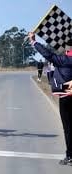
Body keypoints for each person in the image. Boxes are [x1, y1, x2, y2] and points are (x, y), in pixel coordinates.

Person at [28, 32, 72, 166]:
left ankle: (70, 156)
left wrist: (34, 42)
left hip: (67, 95)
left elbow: (49, 55)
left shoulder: (65, 59)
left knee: (68, 127)